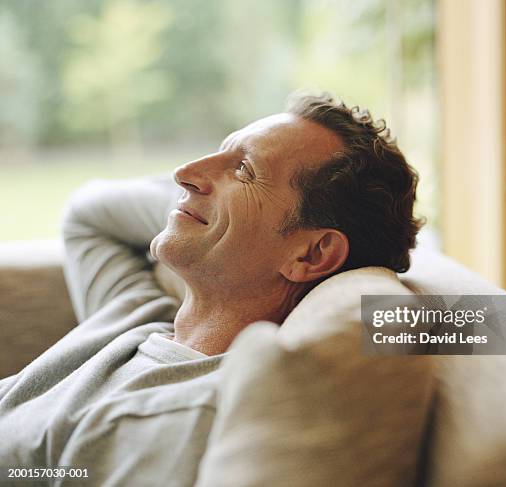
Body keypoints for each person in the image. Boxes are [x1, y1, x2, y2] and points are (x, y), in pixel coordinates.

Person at [0, 93, 421, 484]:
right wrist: (204, 208)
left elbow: (479, 324)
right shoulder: (137, 313)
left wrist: (214, 213)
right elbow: (89, 211)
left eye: (244, 169)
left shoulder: (185, 411)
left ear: (311, 256)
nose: (183, 174)